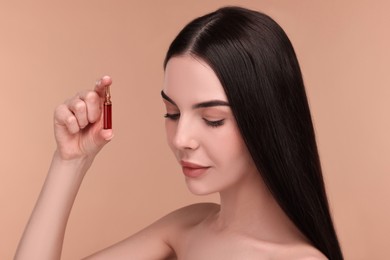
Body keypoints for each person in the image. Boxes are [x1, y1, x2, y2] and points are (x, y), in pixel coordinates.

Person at [15, 6, 343, 260]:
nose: (180, 138)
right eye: (172, 113)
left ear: (267, 120)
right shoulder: (189, 226)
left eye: (213, 119)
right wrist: (70, 160)